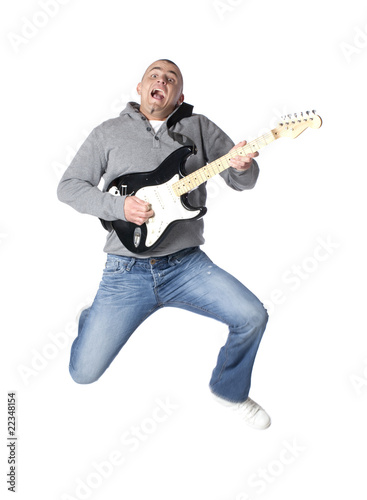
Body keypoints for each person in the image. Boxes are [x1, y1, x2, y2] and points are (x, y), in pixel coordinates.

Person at [57, 59, 271, 430]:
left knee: (252, 316)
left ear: (179, 95)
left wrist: (240, 167)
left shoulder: (199, 127)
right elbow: (69, 187)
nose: (162, 80)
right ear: (139, 88)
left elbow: (244, 182)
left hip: (187, 266)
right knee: (82, 374)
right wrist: (119, 205)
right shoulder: (108, 133)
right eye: (154, 75)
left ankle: (229, 390)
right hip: (126, 270)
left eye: (171, 78)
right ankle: (91, 319)